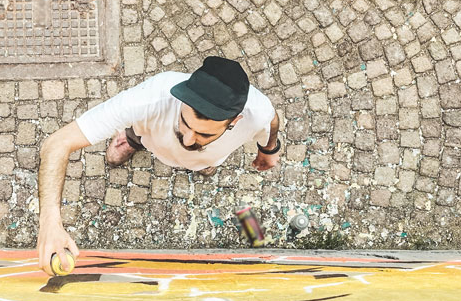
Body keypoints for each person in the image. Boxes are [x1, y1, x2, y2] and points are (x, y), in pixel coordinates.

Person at [35, 56, 282, 273]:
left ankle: (200, 164)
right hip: (150, 137)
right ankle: (129, 140)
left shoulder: (257, 112)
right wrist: (50, 224)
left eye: (204, 135)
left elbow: (272, 122)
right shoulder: (152, 97)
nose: (188, 139)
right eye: (185, 123)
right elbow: (56, 144)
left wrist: (269, 150)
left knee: (202, 162)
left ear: (235, 121)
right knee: (135, 134)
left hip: (206, 158)